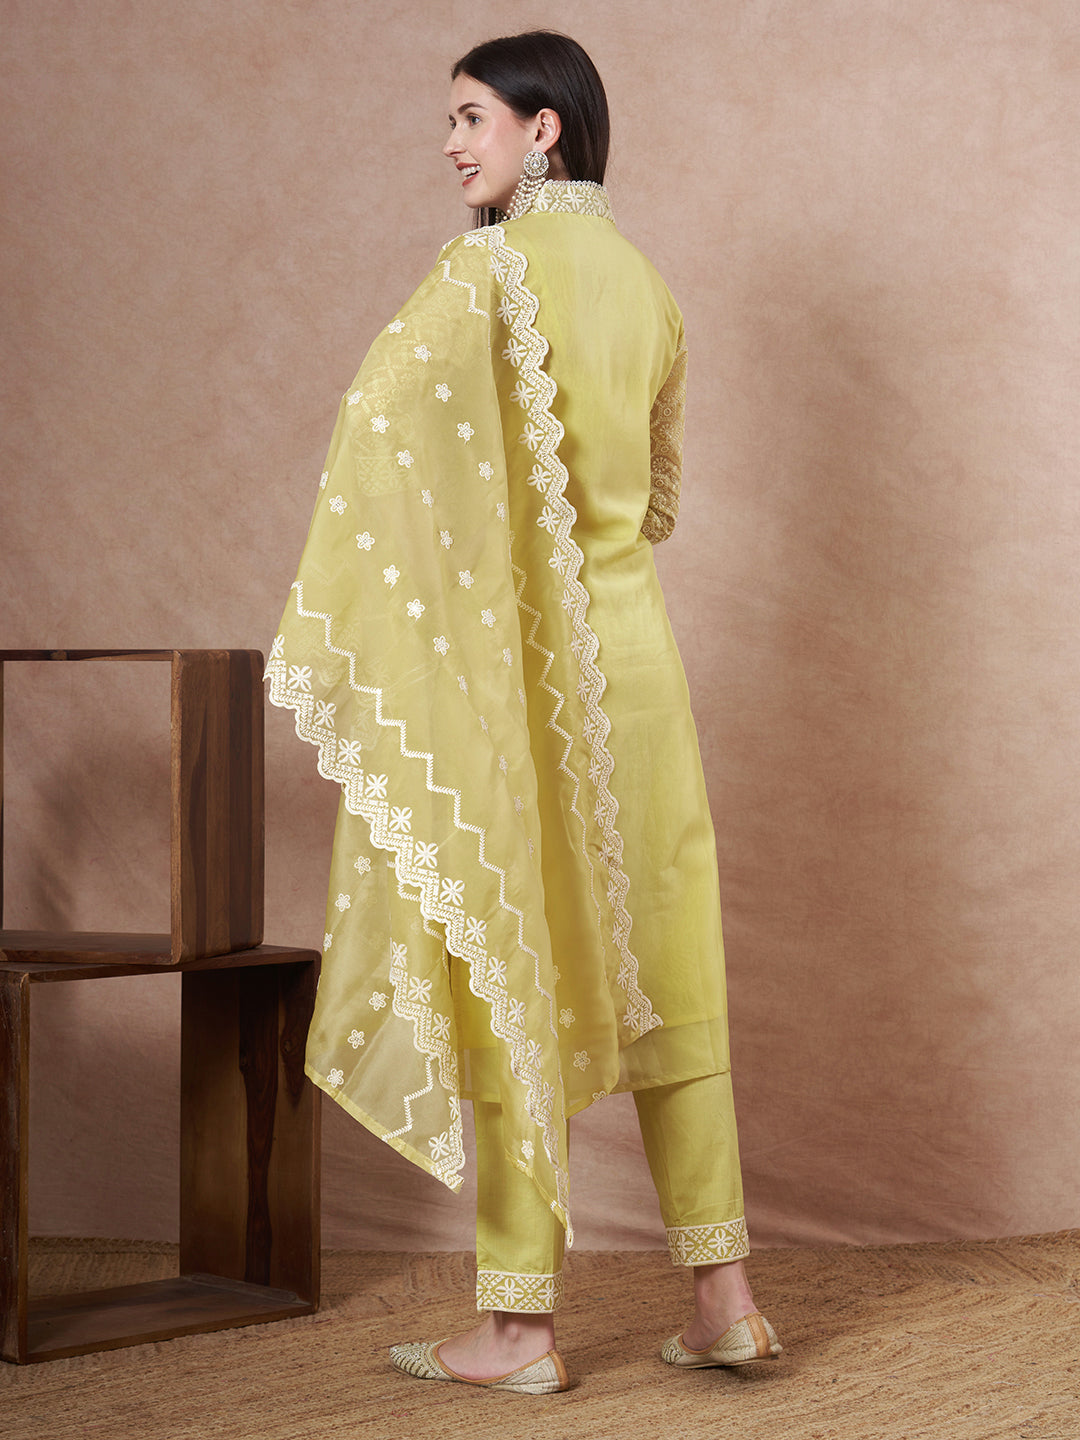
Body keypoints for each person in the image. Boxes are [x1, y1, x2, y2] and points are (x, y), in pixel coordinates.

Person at [267, 30, 781, 1395]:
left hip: (520, 677)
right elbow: (652, 507)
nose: (451, 145)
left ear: (544, 128)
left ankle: (517, 1327)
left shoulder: (484, 275)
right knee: (675, 973)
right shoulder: (651, 291)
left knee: (510, 961)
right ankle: (723, 1299)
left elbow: (378, 432)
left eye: (471, 118)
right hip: (641, 672)